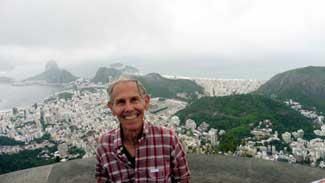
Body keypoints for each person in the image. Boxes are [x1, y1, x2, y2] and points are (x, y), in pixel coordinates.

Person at [96, 79, 190, 183]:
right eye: (121, 102)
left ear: (146, 102)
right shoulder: (104, 144)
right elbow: (102, 178)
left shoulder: (168, 139)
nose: (129, 108)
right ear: (112, 108)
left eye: (134, 99)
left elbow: (183, 178)